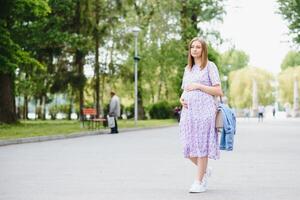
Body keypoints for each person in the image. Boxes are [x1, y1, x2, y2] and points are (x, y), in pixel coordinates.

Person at [179, 37, 223, 193]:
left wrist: (198, 86)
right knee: (188, 147)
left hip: (205, 113)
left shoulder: (210, 66)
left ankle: (199, 181)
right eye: (192, 47)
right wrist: (181, 98)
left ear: (203, 50)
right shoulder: (188, 69)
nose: (195, 49)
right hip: (189, 113)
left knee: (201, 146)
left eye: (198, 47)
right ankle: (204, 170)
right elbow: (185, 89)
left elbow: (218, 91)